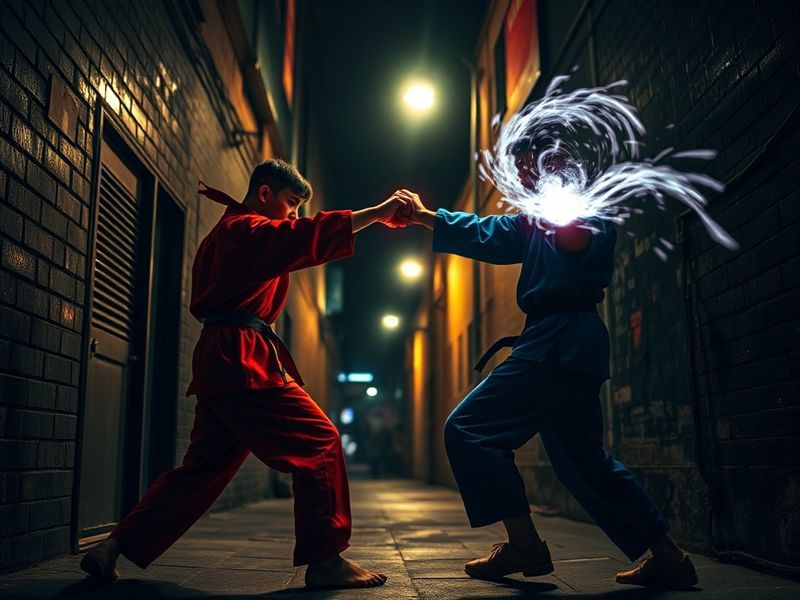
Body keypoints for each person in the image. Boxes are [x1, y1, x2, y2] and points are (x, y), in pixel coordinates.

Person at [80, 159, 407, 589]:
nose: (293, 214)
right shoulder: (244, 231)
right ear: (265, 193)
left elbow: (294, 237)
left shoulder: (228, 233)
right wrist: (377, 213)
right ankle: (325, 560)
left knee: (200, 470)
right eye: (290, 203)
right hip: (242, 360)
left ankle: (114, 546)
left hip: (225, 359)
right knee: (321, 442)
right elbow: (303, 237)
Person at [393, 155, 698, 589]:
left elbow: (575, 238)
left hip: (559, 341)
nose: (521, 178)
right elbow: (488, 233)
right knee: (584, 462)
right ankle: (669, 557)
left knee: (469, 428)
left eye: (530, 168)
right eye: (519, 171)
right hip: (566, 344)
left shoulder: (583, 210)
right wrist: (425, 216)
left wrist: (557, 202)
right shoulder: (534, 219)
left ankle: (524, 545)